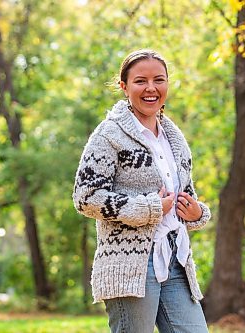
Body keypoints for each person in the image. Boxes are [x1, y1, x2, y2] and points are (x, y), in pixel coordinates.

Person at [72, 49, 211, 333]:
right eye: (140, 81)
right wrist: (147, 209)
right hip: (130, 262)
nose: (151, 88)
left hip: (176, 259)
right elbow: (85, 196)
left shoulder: (175, 138)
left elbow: (185, 196)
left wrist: (197, 212)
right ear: (124, 87)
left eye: (159, 79)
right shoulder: (108, 135)